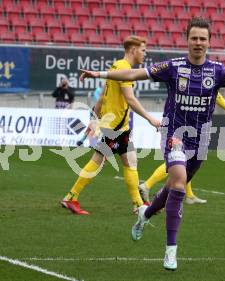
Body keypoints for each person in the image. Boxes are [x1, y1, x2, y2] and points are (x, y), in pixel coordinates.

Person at [79, 17, 225, 270]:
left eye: (203, 38)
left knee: (172, 190)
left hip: (200, 139)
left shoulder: (218, 71)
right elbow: (134, 73)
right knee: (178, 180)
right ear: (187, 40)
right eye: (194, 38)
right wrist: (100, 73)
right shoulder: (173, 67)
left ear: (209, 42)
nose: (198, 42)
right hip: (173, 133)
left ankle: (146, 213)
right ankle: (170, 251)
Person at [61, 35, 160, 215]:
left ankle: (139, 204)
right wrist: (149, 118)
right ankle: (71, 197)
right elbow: (130, 98)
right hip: (115, 127)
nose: (145, 54)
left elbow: (102, 97)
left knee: (130, 161)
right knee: (99, 161)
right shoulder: (124, 69)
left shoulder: (116, 66)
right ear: (133, 50)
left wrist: (95, 117)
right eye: (143, 50)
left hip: (116, 126)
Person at [139, 92, 225, 205]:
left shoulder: (188, 83)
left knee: (186, 160)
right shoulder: (209, 87)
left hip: (177, 126)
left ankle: (189, 195)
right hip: (180, 128)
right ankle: (147, 186)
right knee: (178, 160)